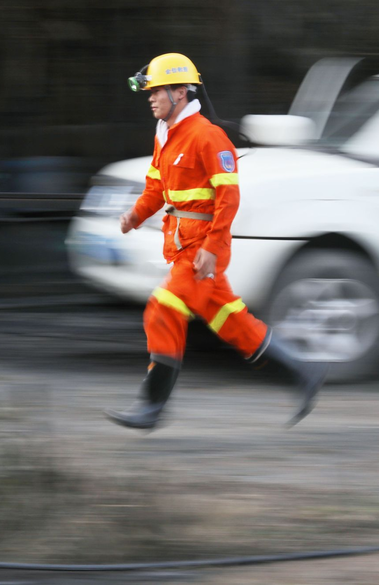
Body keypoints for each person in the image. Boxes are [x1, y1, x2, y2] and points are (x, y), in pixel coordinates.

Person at [104, 53, 327, 430]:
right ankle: (305, 372)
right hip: (182, 249)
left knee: (162, 309)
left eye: (157, 90)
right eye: (151, 91)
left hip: (202, 249)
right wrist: (135, 216)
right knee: (231, 321)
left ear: (180, 91)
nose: (151, 97)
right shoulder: (165, 136)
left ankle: (151, 406)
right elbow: (156, 188)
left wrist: (209, 249)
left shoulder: (208, 136)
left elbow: (229, 199)